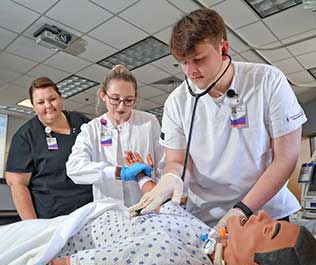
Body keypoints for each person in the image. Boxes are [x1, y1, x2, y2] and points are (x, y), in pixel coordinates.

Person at [129, 8, 307, 235]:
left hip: (266, 214)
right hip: (205, 220)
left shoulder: (267, 81)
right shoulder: (176, 101)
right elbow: (177, 160)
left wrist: (242, 209)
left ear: (223, 49)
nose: (190, 71)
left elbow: (286, 157)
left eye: (198, 60)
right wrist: (171, 178)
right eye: (183, 62)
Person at [19, 204, 316, 265]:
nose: (262, 214)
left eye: (269, 229)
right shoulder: (209, 240)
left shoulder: (168, 261)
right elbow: (160, 205)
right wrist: (148, 179)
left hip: (57, 234)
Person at [66, 64, 163, 208]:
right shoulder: (92, 129)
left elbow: (163, 165)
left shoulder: (148, 122)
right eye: (115, 99)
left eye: (129, 100)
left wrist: (161, 196)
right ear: (103, 95)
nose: (121, 107)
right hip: (108, 209)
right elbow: (74, 168)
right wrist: (118, 172)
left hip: (146, 205)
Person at [5, 77, 93, 220]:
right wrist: (33, 226)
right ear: (34, 106)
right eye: (40, 102)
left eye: (52, 99)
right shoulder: (25, 137)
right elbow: (18, 185)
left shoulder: (80, 121)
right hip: (54, 217)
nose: (48, 105)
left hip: (91, 210)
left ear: (60, 97)